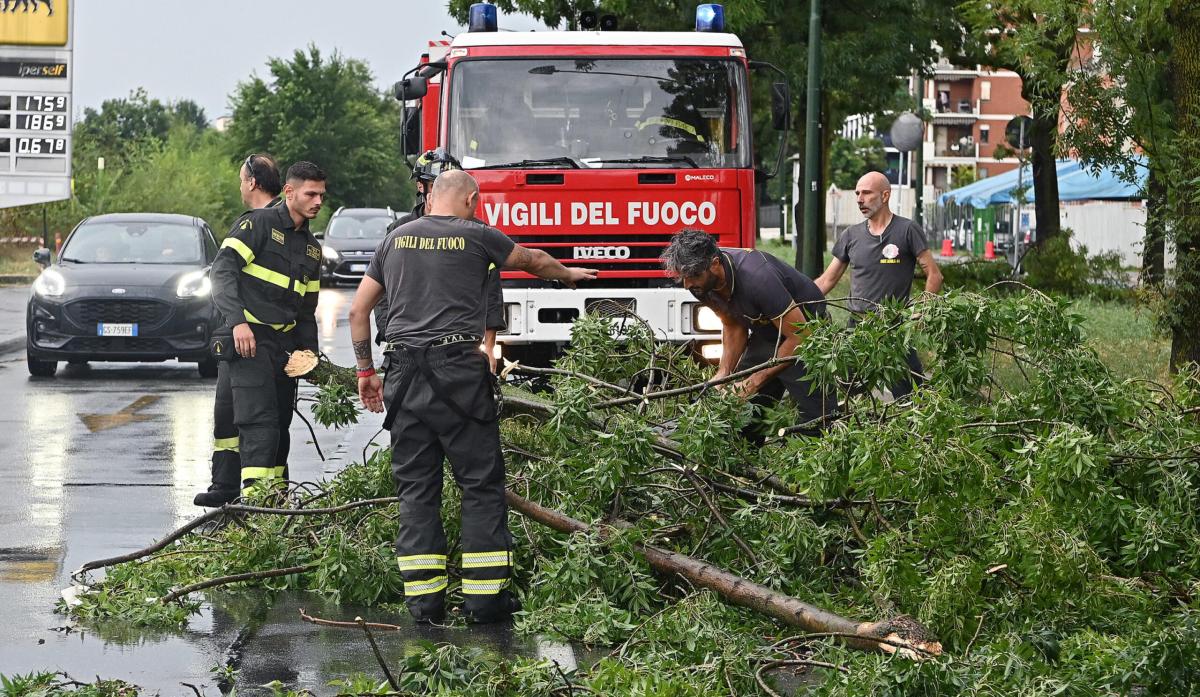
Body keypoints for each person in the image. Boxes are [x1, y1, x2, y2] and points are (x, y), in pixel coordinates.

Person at [348, 169, 597, 624]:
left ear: (429, 199)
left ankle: (424, 605)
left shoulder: (394, 240)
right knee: (480, 488)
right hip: (458, 372)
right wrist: (568, 275)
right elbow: (534, 260)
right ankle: (485, 603)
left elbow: (358, 310)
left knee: (416, 491)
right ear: (471, 199)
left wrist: (366, 370)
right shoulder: (478, 235)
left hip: (402, 374)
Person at [207, 161, 326, 499]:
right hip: (250, 341)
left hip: (284, 346)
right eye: (311, 194)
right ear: (289, 192)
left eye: (321, 195)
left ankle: (275, 495)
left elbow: (306, 310)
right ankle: (256, 503)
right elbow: (222, 273)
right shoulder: (257, 224)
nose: (318, 201)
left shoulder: (312, 248)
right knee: (258, 421)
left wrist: (310, 355)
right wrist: (238, 323)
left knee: (279, 424)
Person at [661, 229, 836, 436]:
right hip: (766, 331)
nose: (687, 284)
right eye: (683, 277)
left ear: (715, 264)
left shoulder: (758, 278)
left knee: (816, 422)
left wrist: (754, 381)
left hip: (807, 331)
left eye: (693, 276)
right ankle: (744, 463)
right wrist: (723, 374)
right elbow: (732, 324)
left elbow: (800, 336)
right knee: (742, 413)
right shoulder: (699, 284)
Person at [194, 153, 286, 508]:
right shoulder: (272, 223)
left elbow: (222, 272)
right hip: (239, 342)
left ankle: (262, 497)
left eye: (240, 179)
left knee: (257, 420)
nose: (239, 185)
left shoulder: (259, 223)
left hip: (255, 339)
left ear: (251, 182)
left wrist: (238, 321)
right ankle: (225, 484)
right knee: (227, 416)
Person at [814, 170, 944, 399]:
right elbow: (827, 279)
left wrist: (920, 312)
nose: (859, 199)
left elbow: (934, 275)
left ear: (885, 196)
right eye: (857, 193)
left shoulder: (907, 230)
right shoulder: (851, 235)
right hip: (857, 328)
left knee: (911, 397)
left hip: (893, 329)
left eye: (866, 193)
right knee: (845, 392)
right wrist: (796, 301)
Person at [378, 149, 506, 369]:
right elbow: (381, 292)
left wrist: (490, 348)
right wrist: (391, 336)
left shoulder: (477, 232)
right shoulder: (399, 231)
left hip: (460, 351)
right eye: (437, 183)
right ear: (421, 186)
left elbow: (491, 292)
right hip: (407, 349)